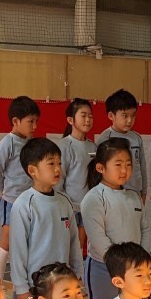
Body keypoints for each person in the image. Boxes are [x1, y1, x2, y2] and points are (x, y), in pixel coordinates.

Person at [80, 137, 151, 299]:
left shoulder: (134, 196)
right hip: (102, 269)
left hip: (134, 270)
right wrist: (121, 265)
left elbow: (144, 228)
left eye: (128, 165)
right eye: (118, 164)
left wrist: (139, 262)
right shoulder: (93, 198)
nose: (124, 170)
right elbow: (98, 238)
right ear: (101, 168)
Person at [11, 137, 84, 299]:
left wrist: (77, 275)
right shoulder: (24, 204)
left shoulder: (64, 201)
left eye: (59, 163)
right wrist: (21, 288)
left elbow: (74, 242)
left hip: (63, 287)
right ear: (33, 170)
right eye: (51, 164)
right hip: (36, 289)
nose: (58, 168)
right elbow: (18, 250)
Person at [0, 95, 41, 274]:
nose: (35, 126)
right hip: (11, 201)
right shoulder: (7, 143)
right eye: (30, 121)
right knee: (7, 240)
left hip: (31, 201)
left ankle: (26, 282)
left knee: (29, 241)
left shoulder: (32, 143)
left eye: (36, 122)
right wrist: (7, 190)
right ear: (16, 121)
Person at [58, 98, 97, 250]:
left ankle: (80, 274)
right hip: (70, 208)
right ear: (70, 120)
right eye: (83, 115)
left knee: (81, 247)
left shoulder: (93, 146)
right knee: (69, 248)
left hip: (87, 206)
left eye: (90, 116)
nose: (88, 119)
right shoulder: (64, 146)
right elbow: (59, 181)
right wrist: (65, 206)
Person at [95, 89, 146, 199]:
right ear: (111, 116)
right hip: (112, 193)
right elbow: (99, 170)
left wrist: (144, 190)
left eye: (133, 116)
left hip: (135, 192)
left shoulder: (136, 138)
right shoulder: (104, 138)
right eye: (125, 115)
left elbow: (142, 166)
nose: (129, 120)